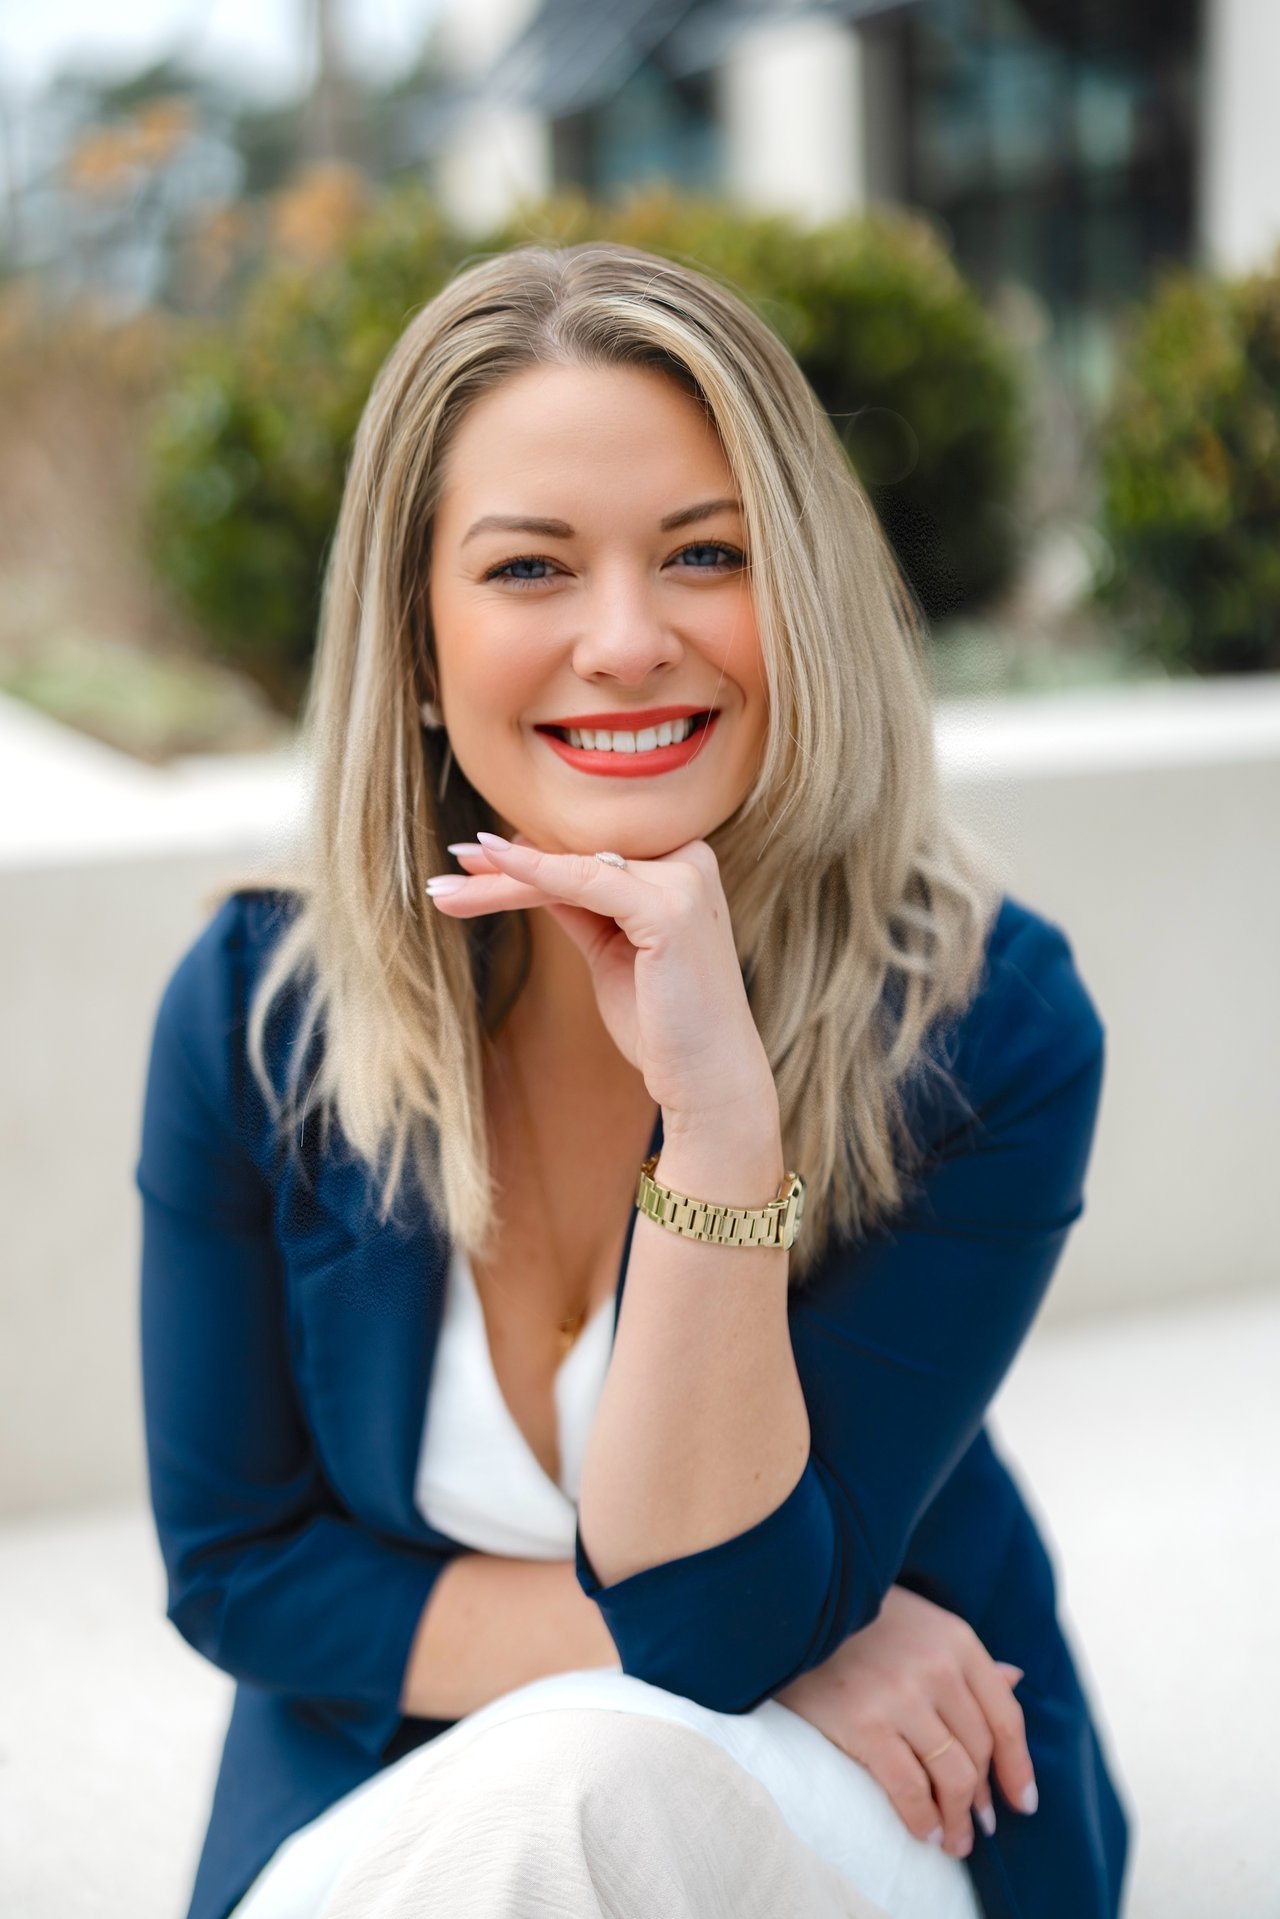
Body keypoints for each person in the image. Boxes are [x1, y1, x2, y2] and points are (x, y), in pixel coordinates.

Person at [136, 241, 1130, 1919]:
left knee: (579, 1794)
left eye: (705, 555)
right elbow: (242, 1571)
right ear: (420, 648)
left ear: (798, 599)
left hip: (850, 1808)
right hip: (410, 1795)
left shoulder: (982, 1024)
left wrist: (723, 1123)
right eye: (530, 568)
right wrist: (791, 1644)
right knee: (538, 1808)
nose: (625, 640)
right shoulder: (261, 1013)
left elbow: (718, 1627)